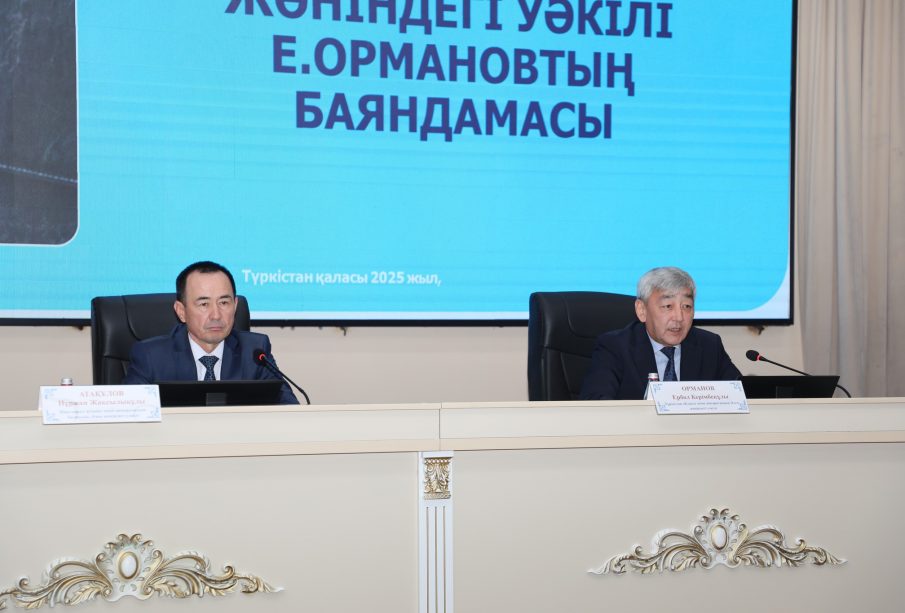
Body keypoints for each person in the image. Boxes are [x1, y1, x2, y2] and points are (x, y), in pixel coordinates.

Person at [123, 261, 299, 405]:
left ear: (235, 306)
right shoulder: (151, 357)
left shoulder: (255, 352)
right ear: (181, 311)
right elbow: (129, 417)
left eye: (224, 303)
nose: (216, 315)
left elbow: (289, 411)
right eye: (204, 304)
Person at [579, 266, 740, 400]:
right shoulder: (615, 347)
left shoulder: (710, 345)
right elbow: (596, 404)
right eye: (668, 306)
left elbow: (742, 396)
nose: (679, 317)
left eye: (686, 306)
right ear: (642, 310)